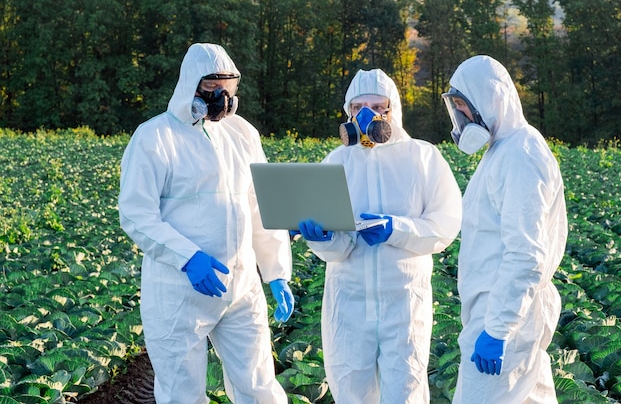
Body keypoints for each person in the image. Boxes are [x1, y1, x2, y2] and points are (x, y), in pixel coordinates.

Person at [118, 43, 295, 404]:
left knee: (259, 386)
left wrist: (276, 271)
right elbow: (137, 213)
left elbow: (261, 206)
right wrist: (187, 256)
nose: (223, 101)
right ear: (191, 86)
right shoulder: (155, 137)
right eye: (214, 91)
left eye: (229, 92)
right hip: (179, 291)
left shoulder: (243, 134)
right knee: (181, 393)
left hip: (241, 286)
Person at [297, 68, 463, 403]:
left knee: (406, 393)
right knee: (350, 392)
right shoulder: (336, 161)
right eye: (359, 107)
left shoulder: (422, 156)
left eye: (377, 105)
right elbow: (338, 248)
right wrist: (322, 237)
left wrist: (396, 229)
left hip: (403, 301)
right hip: (348, 301)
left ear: (393, 109)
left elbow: (445, 225)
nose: (368, 114)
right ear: (349, 112)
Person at [441, 55, 567, 403]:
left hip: (505, 317)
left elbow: (526, 254)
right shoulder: (503, 150)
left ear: (488, 101)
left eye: (464, 107)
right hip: (507, 312)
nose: (461, 118)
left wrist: (497, 329)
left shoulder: (520, 155)